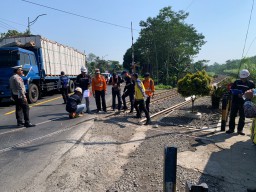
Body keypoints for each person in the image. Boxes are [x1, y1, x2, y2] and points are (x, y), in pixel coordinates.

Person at [226, 69, 255, 135]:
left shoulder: (251, 84)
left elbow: (253, 93)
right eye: (242, 77)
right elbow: (231, 90)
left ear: (247, 77)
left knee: (242, 116)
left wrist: (244, 95)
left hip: (244, 103)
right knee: (232, 115)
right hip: (235, 101)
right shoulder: (236, 82)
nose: (243, 79)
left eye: (244, 78)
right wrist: (234, 92)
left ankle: (240, 130)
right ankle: (231, 129)